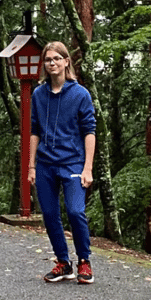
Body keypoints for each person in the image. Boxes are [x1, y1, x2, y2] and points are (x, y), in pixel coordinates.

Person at [28, 41, 96, 284]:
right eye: (48, 60)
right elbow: (34, 130)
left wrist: (87, 167)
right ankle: (63, 262)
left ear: (67, 62)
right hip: (45, 163)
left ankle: (84, 261)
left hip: (73, 163)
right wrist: (31, 166)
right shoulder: (39, 94)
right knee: (49, 213)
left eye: (57, 58)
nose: (52, 63)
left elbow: (90, 131)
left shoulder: (80, 94)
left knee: (76, 211)